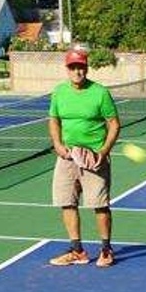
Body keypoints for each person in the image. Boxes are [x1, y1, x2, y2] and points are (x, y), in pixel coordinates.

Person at [47, 48, 121, 267]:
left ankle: (106, 250)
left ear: (86, 68)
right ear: (67, 69)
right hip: (67, 157)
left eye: (80, 67)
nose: (77, 71)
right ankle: (77, 250)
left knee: (100, 205)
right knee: (66, 202)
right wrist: (58, 145)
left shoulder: (100, 93)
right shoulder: (59, 92)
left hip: (93, 158)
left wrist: (103, 152)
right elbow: (53, 120)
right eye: (73, 67)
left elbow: (114, 124)